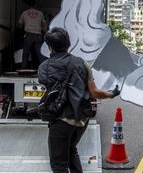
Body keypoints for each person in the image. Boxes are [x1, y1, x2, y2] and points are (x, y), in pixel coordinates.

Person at [38, 27, 120, 173]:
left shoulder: (44, 67)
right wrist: (111, 94)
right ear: (69, 43)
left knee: (59, 165)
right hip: (81, 119)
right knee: (71, 149)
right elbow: (94, 92)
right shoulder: (82, 63)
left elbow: (45, 84)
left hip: (61, 119)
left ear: (49, 47)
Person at [19, 0, 47, 69]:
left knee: (26, 53)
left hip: (28, 35)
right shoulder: (40, 13)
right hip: (38, 35)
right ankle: (45, 69)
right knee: (40, 53)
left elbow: (19, 24)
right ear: (35, 5)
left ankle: (23, 68)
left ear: (28, 5)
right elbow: (44, 25)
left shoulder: (24, 13)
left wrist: (22, 30)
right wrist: (45, 33)